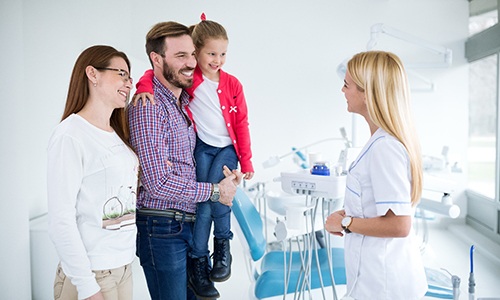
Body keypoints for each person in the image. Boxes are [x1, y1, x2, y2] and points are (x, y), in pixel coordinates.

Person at [133, 14, 254, 298]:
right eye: (180, 55)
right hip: (162, 226)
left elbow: (240, 121)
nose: (190, 62)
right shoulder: (149, 105)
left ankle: (216, 248)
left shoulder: (184, 100)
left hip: (186, 221)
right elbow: (158, 183)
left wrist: (238, 167)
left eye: (191, 54)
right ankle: (212, 249)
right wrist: (216, 191)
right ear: (157, 59)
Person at [324, 51, 428, 299]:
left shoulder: (385, 147)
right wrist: (351, 213)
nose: (343, 91)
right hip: (381, 277)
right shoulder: (381, 141)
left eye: (347, 84)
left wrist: (345, 223)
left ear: (367, 93)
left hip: (384, 283)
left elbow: (399, 225)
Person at [47, 45, 138, 300]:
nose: (128, 83)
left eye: (129, 77)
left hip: (123, 267)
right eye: (121, 74)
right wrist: (87, 287)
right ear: (92, 74)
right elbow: (60, 220)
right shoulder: (71, 135)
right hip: (92, 273)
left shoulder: (116, 135)